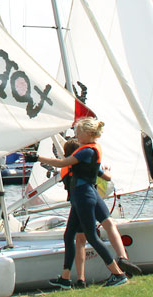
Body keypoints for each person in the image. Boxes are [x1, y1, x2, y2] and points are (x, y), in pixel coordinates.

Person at [25, 118, 130, 288]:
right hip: (83, 195)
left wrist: (37, 157)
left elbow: (62, 163)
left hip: (83, 195)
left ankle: (117, 273)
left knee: (91, 236)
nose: (76, 135)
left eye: (79, 132)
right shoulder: (88, 151)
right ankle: (65, 278)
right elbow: (102, 174)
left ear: (89, 134)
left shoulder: (86, 152)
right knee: (69, 235)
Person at [54, 139, 141, 288]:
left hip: (79, 201)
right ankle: (122, 259)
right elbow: (106, 177)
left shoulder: (68, 167)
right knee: (108, 224)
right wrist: (107, 169)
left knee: (80, 238)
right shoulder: (86, 160)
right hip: (91, 197)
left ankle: (83, 278)